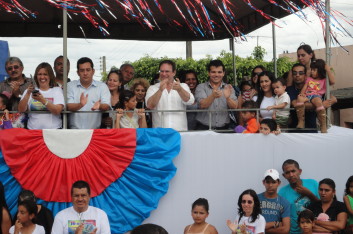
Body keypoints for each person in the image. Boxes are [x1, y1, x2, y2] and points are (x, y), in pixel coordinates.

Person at [146, 60, 194, 131]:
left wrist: (180, 90)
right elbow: (150, 105)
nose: (164, 74)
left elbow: (190, 101)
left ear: (174, 73)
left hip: (179, 132)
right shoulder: (152, 88)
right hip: (159, 133)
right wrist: (160, 90)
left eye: (167, 71)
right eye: (161, 71)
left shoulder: (183, 86)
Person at [286, 63, 336, 133]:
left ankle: (323, 126)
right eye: (295, 73)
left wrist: (322, 103)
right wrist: (321, 105)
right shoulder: (290, 89)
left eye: (301, 73)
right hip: (295, 131)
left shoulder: (314, 86)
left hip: (312, 130)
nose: (297, 75)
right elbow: (295, 104)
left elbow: (333, 99)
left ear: (306, 75)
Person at [67, 57, 111, 129]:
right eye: (82, 70)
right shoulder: (70, 86)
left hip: (95, 132)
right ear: (78, 72)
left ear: (93, 71)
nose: (85, 73)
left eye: (88, 70)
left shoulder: (102, 86)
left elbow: (106, 105)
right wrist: (80, 104)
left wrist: (99, 106)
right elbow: (68, 106)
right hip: (74, 132)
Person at [18, 62, 65, 129]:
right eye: (39, 74)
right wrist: (28, 93)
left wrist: (42, 100)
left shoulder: (57, 90)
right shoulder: (29, 91)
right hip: (33, 132)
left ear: (50, 76)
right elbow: (21, 110)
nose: (42, 77)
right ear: (36, 76)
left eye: (45, 74)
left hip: (53, 132)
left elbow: (57, 111)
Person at [279, 159, 319, 234]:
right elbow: (281, 216)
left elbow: (322, 205)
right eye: (287, 172)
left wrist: (309, 194)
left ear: (300, 171)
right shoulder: (282, 192)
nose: (291, 175)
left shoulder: (313, 184)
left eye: (293, 171)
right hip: (293, 232)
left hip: (314, 230)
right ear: (284, 176)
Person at [195, 60, 238, 130]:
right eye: (213, 72)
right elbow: (202, 105)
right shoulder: (201, 87)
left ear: (223, 73)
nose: (216, 75)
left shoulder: (228, 87)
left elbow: (235, 107)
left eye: (219, 72)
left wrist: (227, 98)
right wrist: (213, 96)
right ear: (208, 73)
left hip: (224, 129)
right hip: (203, 128)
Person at [258, 169, 291, 234]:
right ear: (263, 182)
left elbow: (286, 229)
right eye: (267, 182)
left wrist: (260, 230)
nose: (270, 185)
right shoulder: (255, 199)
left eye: (273, 182)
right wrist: (275, 223)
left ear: (279, 183)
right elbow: (249, 223)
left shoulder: (284, 203)